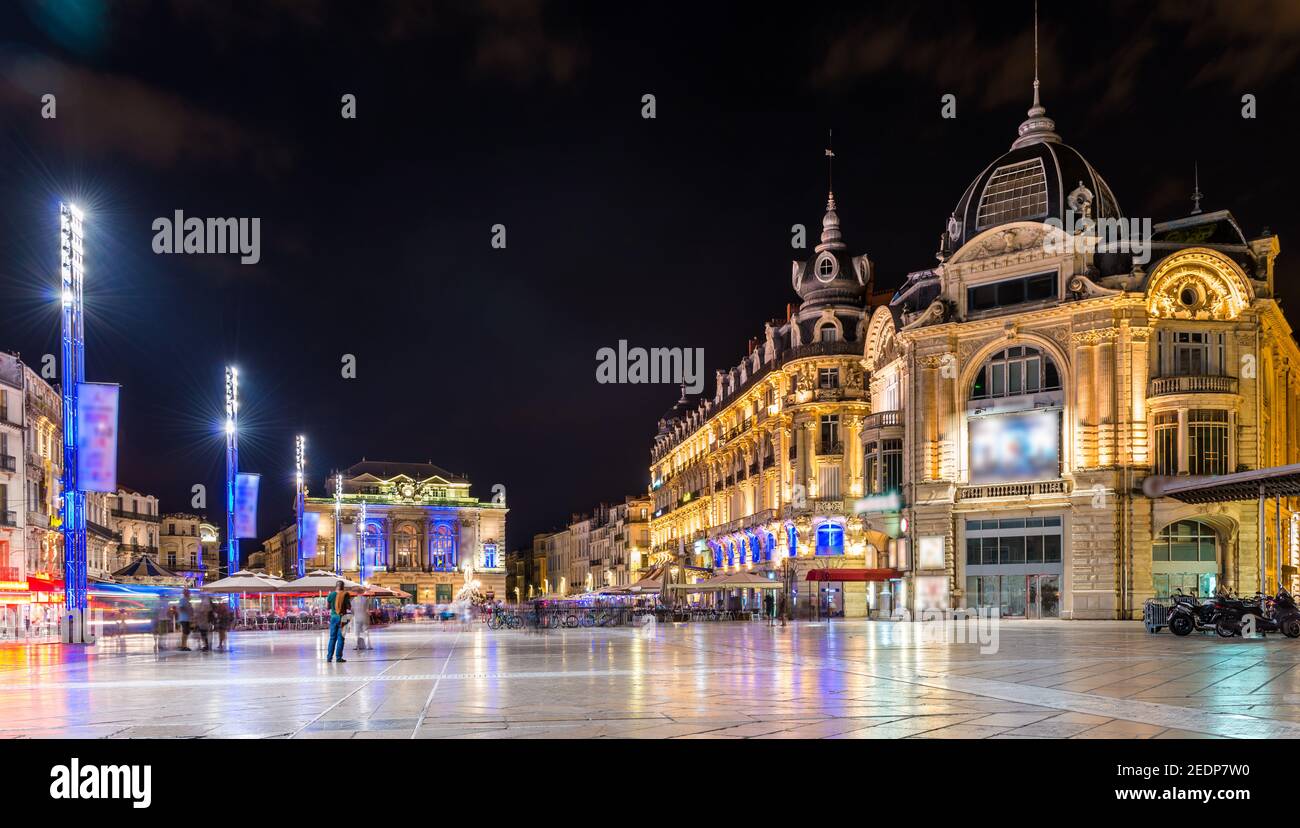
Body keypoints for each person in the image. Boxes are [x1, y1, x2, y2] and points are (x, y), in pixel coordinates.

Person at [325, 580, 351, 662]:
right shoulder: (345, 594)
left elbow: (327, 607)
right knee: (341, 638)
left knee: (332, 638)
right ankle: (338, 658)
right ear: (343, 586)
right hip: (343, 617)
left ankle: (329, 658)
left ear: (336, 586)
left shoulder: (331, 595)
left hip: (333, 617)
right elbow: (349, 607)